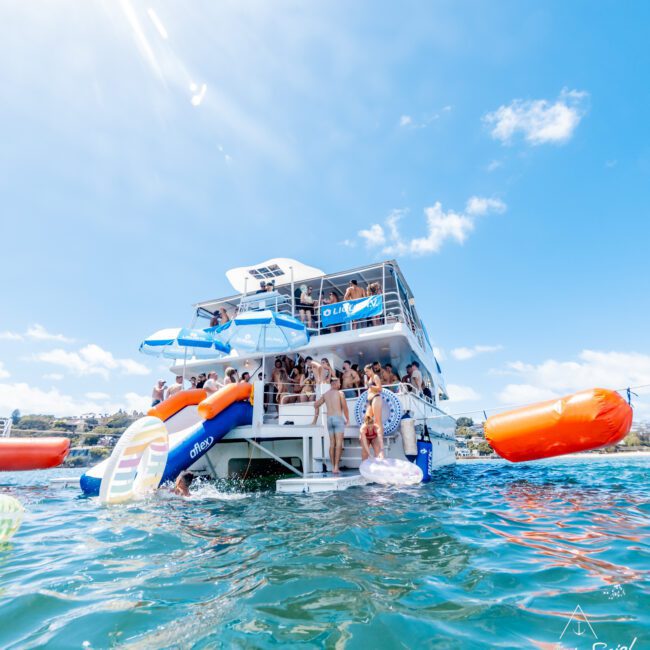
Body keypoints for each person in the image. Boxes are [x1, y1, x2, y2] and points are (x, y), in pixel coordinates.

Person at [311, 377, 349, 474]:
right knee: (339, 443)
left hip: (329, 420)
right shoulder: (340, 393)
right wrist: (348, 420)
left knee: (332, 443)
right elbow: (345, 408)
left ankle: (333, 467)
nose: (340, 385)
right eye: (339, 383)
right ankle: (336, 467)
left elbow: (316, 405)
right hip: (338, 418)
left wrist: (315, 419)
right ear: (335, 383)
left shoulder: (325, 394)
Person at [364, 363, 383, 440]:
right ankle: (372, 436)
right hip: (370, 400)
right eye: (365, 372)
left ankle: (380, 438)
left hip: (376, 398)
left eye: (367, 371)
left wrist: (369, 385)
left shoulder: (375, 377)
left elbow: (380, 388)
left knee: (378, 420)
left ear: (371, 370)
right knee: (367, 418)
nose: (366, 373)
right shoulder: (370, 379)